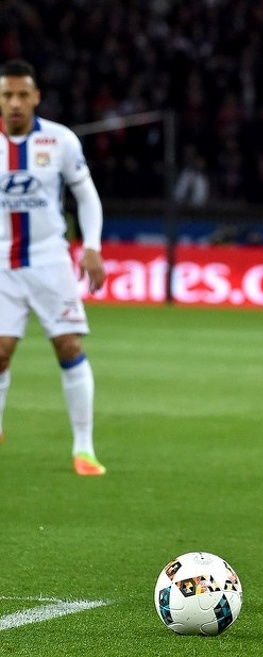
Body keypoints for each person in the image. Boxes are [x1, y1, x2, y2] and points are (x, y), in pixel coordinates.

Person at [0, 59, 106, 475]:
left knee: (69, 345)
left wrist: (91, 245)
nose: (15, 103)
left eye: (23, 94)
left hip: (49, 258)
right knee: (1, 352)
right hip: (2, 261)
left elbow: (88, 196)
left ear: (36, 97)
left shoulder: (59, 140)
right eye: (7, 95)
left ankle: (84, 449)